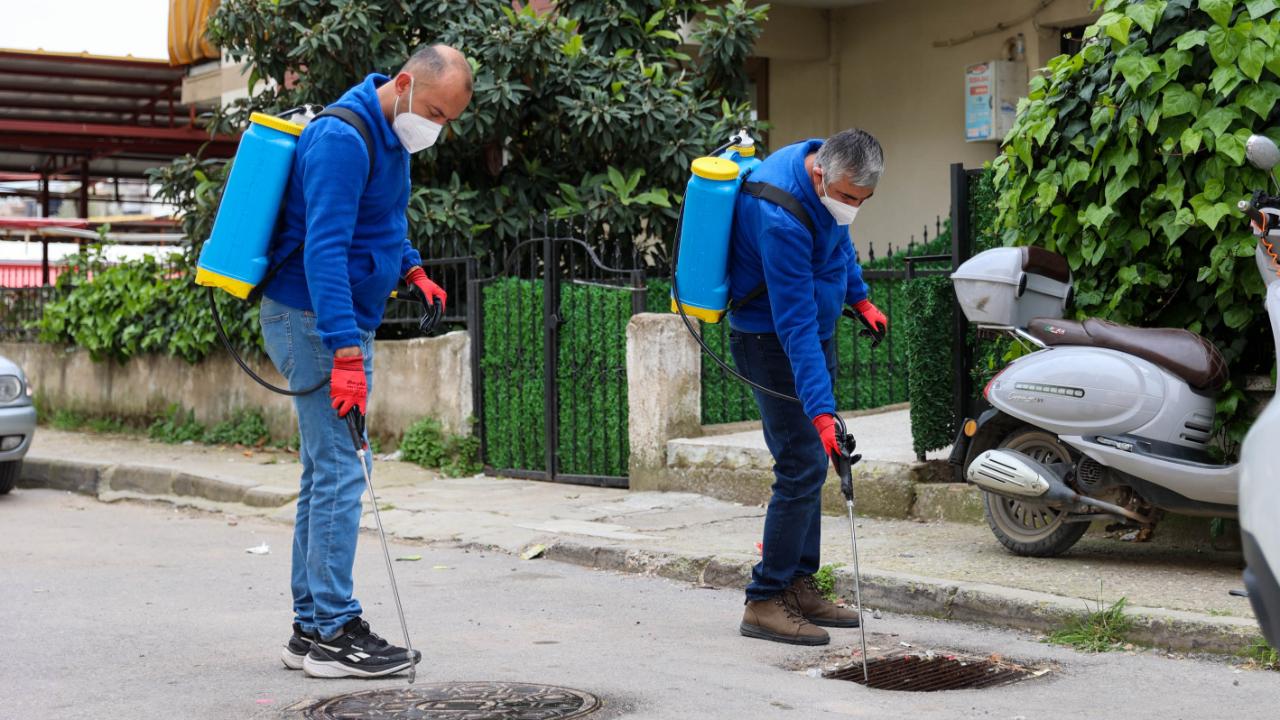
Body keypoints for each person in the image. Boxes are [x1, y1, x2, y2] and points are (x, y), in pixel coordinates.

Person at [259, 44, 473, 678]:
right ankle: (333, 632)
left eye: (449, 119)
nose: (439, 127)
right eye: (436, 110)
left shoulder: (391, 138)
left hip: (336, 322)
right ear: (404, 85)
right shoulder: (340, 139)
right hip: (317, 323)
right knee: (343, 473)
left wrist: (410, 267)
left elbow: (379, 218)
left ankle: (310, 628)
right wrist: (345, 349)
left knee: (326, 472)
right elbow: (324, 250)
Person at [727, 129, 888, 646]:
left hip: (810, 332)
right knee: (799, 464)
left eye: (862, 201)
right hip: (770, 340)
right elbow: (792, 323)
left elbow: (838, 245)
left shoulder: (826, 182)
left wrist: (860, 300)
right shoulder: (779, 214)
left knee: (814, 464)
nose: (852, 208)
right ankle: (765, 600)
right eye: (846, 197)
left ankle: (799, 584)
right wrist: (821, 414)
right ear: (821, 174)